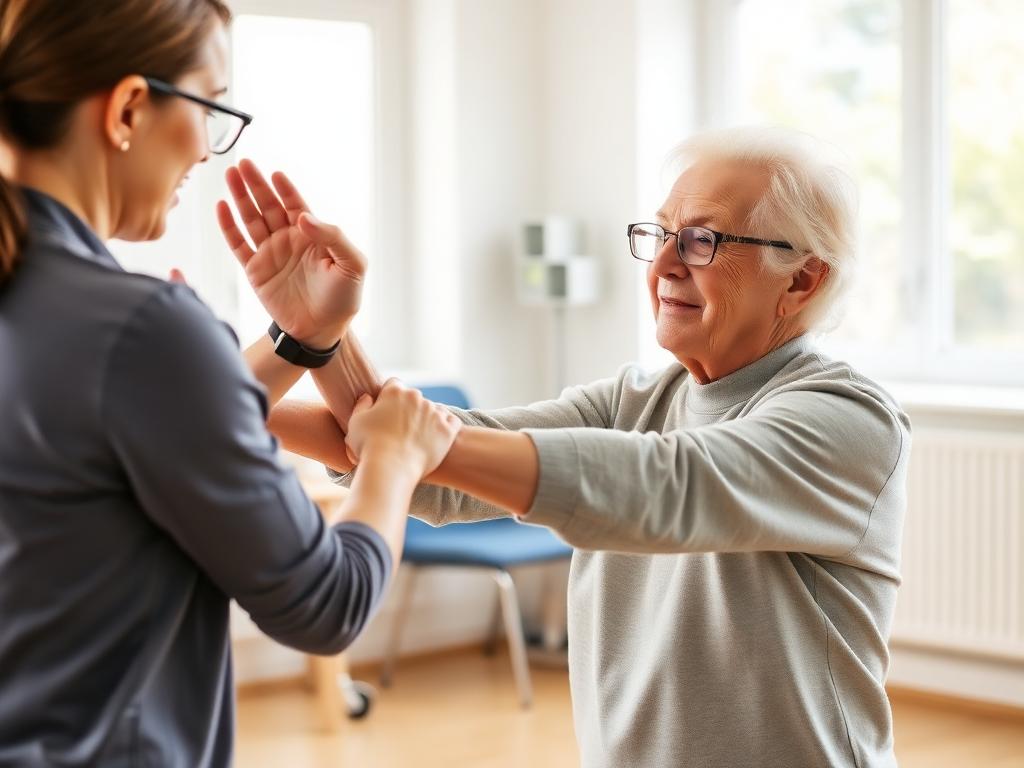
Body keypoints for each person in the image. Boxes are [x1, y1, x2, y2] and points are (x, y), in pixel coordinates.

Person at [264, 127, 912, 767]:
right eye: (660, 235)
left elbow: (665, 488)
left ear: (801, 280)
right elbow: (434, 462)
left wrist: (406, 444)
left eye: (702, 240)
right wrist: (310, 343)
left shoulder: (848, 419)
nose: (662, 265)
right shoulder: (629, 403)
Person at [0, 1, 459, 765]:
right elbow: (328, 603)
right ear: (129, 109)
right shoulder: (141, 329)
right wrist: (394, 458)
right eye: (211, 107)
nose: (208, 153)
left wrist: (298, 341)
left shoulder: (61, 312)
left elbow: (110, 441)